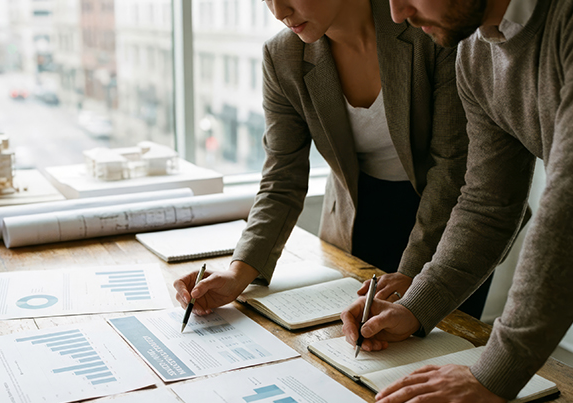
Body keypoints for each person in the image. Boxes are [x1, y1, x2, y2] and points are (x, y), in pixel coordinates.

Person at [341, 0, 573, 403]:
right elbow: (487, 204)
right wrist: (416, 305)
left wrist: (494, 374)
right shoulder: (475, 54)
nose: (395, 13)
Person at [175, 0, 497, 320]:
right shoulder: (283, 56)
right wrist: (238, 273)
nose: (278, 11)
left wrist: (414, 273)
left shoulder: (425, 24)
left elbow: (452, 167)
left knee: (442, 355)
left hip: (451, 224)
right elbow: (282, 177)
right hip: (356, 220)